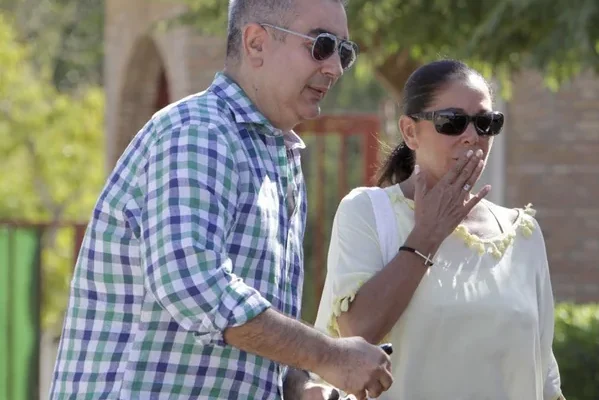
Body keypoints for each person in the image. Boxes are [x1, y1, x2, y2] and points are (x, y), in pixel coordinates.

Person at [48, 0, 393, 399]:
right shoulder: (201, 132)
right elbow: (192, 286)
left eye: (344, 52)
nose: (334, 67)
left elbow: (242, 334)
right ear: (257, 43)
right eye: (322, 45)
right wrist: (329, 355)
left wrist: (295, 385)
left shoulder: (276, 154)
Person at [314, 59, 565, 399]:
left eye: (486, 123)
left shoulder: (523, 233)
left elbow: (544, 375)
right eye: (453, 122)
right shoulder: (368, 213)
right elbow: (355, 335)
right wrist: (427, 235)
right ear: (409, 132)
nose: (472, 136)